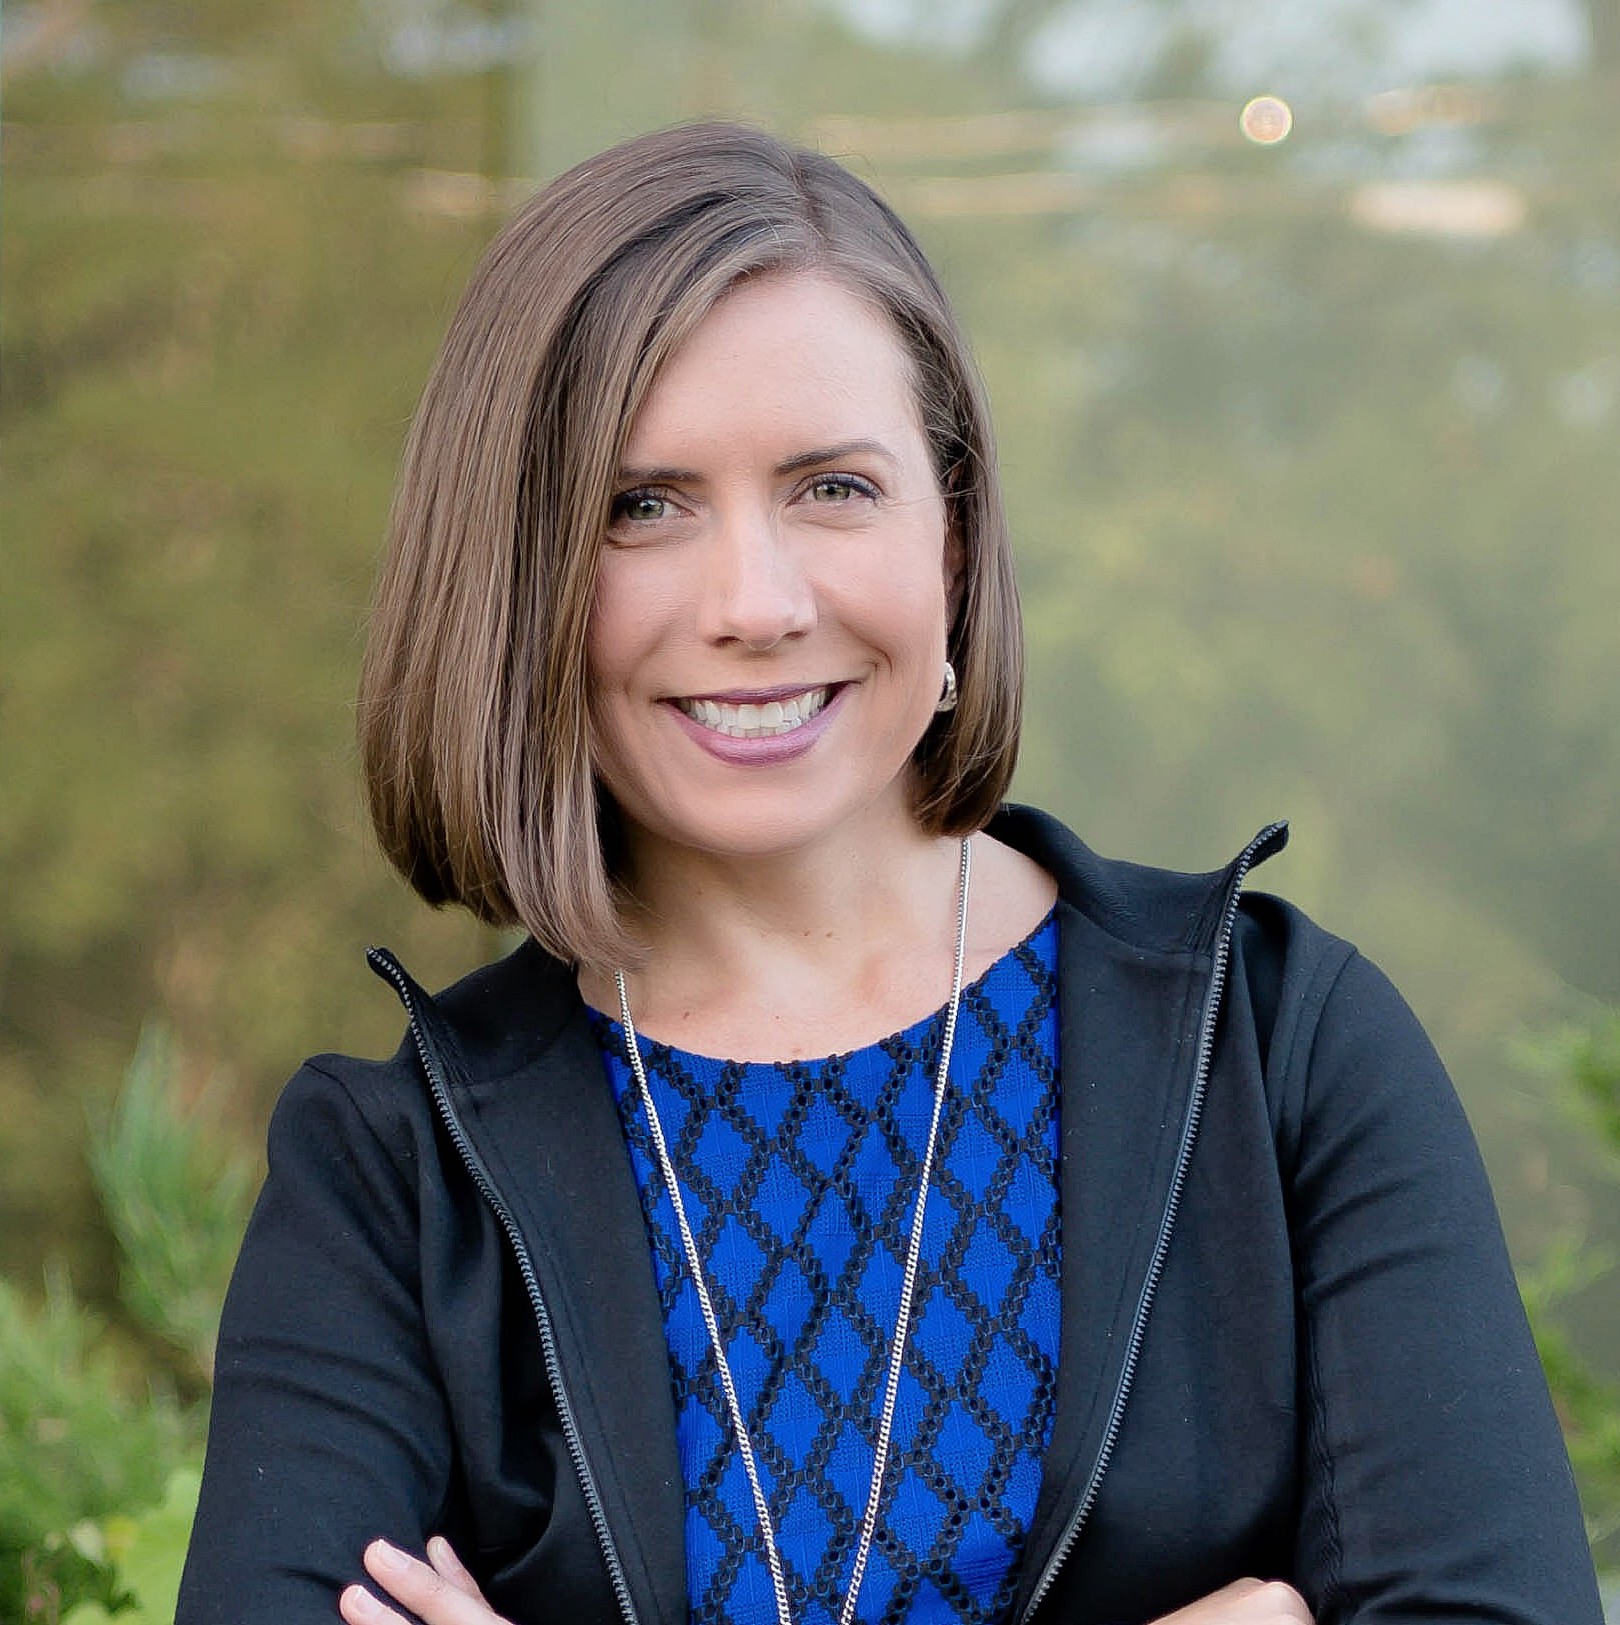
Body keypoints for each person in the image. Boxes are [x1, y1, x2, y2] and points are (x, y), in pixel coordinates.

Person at [175, 123, 1604, 1625]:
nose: (755, 601)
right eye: (639, 505)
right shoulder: (395, 1186)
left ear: (958, 537)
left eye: (832, 488)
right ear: (517, 571)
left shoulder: (1281, 1052)